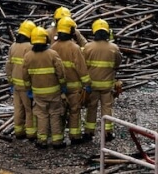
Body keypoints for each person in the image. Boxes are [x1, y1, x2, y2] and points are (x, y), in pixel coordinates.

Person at [22, 26, 67, 149]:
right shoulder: (52, 54)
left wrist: (28, 90)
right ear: (46, 39)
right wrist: (63, 86)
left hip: (38, 93)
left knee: (41, 115)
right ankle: (57, 141)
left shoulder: (28, 56)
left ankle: (42, 140)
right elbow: (61, 72)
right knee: (55, 114)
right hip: (54, 92)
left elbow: (25, 76)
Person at [50, 16, 91, 144]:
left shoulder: (53, 47)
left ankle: (58, 138)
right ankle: (75, 136)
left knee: (59, 113)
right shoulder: (75, 48)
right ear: (71, 31)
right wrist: (87, 84)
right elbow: (81, 68)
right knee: (74, 111)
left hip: (58, 88)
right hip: (74, 88)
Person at [82, 19, 122, 142]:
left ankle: (89, 132)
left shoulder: (87, 47)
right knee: (107, 108)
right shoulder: (114, 48)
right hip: (107, 85)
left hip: (92, 85)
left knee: (91, 108)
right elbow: (117, 63)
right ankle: (108, 133)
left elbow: (82, 65)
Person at [6, 19, 37, 140]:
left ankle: (18, 131)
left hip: (16, 85)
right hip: (26, 85)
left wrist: (10, 81)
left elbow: (8, 65)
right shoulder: (30, 47)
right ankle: (30, 133)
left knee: (18, 108)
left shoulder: (13, 46)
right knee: (29, 109)